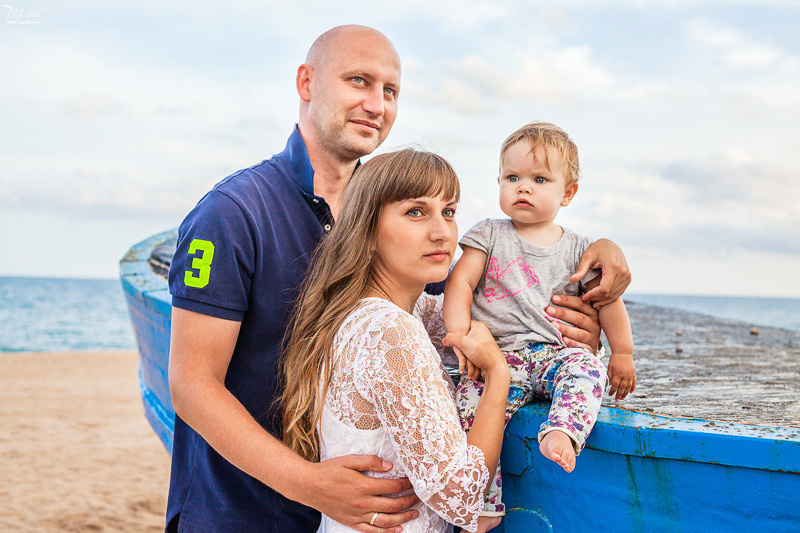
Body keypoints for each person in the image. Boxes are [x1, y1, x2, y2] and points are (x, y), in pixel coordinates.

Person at [166, 23, 630, 532]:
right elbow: (191, 384)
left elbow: (470, 321)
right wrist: (307, 482)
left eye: (390, 91)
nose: (376, 103)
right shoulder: (233, 213)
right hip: (239, 510)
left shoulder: (402, 229)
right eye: (358, 81)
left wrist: (582, 287)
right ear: (306, 83)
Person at [281, 148, 511, 533]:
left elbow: (488, 320)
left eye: (449, 211)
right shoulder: (391, 332)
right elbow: (462, 498)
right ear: (367, 232)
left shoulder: (371, 311)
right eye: (416, 212)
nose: (442, 232)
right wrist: (499, 376)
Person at [443, 122, 637, 528]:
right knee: (469, 413)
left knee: (586, 369)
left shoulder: (581, 250)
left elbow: (608, 302)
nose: (523, 187)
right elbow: (459, 283)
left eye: (539, 179)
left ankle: (562, 430)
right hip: (499, 358)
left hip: (555, 355)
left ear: (568, 193)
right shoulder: (489, 234)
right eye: (512, 178)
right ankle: (480, 503)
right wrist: (460, 334)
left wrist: (622, 353)